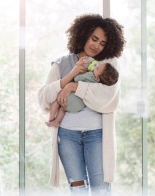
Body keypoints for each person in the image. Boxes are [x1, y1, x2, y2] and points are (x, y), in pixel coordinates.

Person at [38, 13, 125, 195]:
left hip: (97, 135)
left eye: (102, 43)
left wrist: (73, 87)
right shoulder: (62, 63)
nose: (96, 46)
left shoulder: (108, 65)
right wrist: (68, 78)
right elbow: (44, 99)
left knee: (101, 189)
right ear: (83, 34)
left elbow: (108, 99)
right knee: (78, 190)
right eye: (94, 39)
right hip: (68, 137)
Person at [46, 62, 119, 127]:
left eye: (97, 68)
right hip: (78, 106)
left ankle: (51, 119)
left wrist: (81, 72)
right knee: (62, 109)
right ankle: (56, 121)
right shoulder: (98, 85)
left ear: (97, 77)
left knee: (56, 102)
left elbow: (76, 79)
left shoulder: (90, 76)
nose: (96, 65)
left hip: (71, 99)